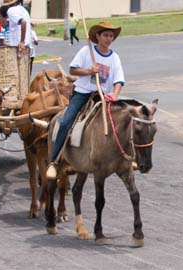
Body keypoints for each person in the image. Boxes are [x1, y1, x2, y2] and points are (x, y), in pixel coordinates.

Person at [46, 21, 125, 179]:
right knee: (66, 122)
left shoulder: (114, 57)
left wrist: (115, 95)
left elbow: (119, 81)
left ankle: (126, 158)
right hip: (82, 93)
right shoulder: (86, 51)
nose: (108, 38)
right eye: (105, 35)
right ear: (98, 36)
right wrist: (89, 71)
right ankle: (54, 161)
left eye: (111, 36)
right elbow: (73, 69)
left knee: (123, 121)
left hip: (103, 95)